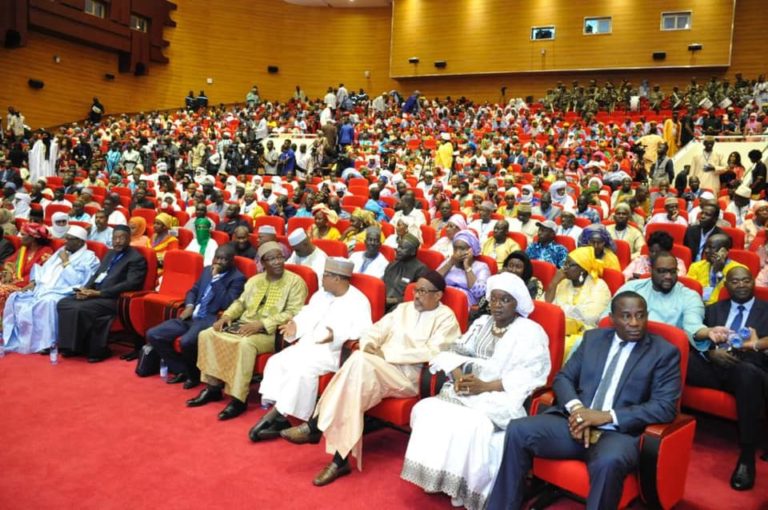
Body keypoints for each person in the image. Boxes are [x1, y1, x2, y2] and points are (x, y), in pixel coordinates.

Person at [487, 292, 681, 510]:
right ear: (613, 317)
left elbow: (665, 407)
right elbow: (564, 378)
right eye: (626, 316)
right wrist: (578, 411)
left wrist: (604, 417)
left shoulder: (664, 353)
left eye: (640, 316)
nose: (634, 323)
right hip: (574, 423)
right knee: (518, 429)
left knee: (609, 462)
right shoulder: (593, 339)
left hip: (618, 433)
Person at [280, 272, 461, 486]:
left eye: (423, 291)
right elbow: (374, 331)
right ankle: (339, 460)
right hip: (375, 367)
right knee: (357, 376)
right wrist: (369, 345)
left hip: (409, 376)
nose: (417, 296)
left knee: (359, 362)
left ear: (438, 295)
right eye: (415, 290)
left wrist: (386, 355)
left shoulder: (446, 318)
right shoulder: (403, 309)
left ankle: (316, 425)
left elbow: (433, 352)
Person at [402, 273, 551, 510]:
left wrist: (484, 386)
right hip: (465, 389)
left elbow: (531, 375)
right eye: (493, 299)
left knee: (470, 426)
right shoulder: (482, 323)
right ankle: (437, 478)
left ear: (517, 304)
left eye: (505, 300)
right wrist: (459, 377)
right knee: (426, 410)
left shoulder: (530, 332)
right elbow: (453, 351)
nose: (497, 305)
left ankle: (464, 489)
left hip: (500, 396)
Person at [250, 258, 372, 441]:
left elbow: (365, 331)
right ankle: (280, 414)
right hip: (308, 345)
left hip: (332, 352)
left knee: (300, 371)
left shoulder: (359, 301)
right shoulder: (321, 295)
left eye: (325, 276)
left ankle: (279, 416)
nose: (321, 279)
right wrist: (295, 327)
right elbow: (306, 314)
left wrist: (336, 335)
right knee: (277, 361)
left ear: (337, 279)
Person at [188, 242, 307, 420]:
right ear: (262, 263)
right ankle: (213, 388)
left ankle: (238, 399)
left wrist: (261, 324)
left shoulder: (295, 282)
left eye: (280, 257)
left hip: (271, 333)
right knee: (207, 334)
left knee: (245, 344)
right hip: (244, 324)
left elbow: (293, 312)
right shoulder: (254, 280)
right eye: (271, 259)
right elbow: (240, 303)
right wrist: (226, 316)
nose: (277, 262)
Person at [686, 266, 768, 491]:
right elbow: (698, 339)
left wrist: (755, 347)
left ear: (753, 282)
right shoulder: (712, 310)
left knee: (747, 374)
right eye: (735, 281)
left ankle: (747, 455)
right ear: (726, 285)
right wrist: (711, 353)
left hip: (749, 369)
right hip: (713, 366)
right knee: (677, 358)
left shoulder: (766, 309)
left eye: (746, 280)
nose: (741, 285)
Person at [147, 244, 246, 389]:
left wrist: (217, 279)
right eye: (217, 258)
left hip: (210, 318)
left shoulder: (238, 278)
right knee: (154, 334)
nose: (218, 262)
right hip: (191, 315)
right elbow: (192, 291)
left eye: (223, 259)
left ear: (232, 262)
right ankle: (181, 370)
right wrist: (189, 306)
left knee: (187, 342)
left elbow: (227, 302)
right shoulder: (206, 270)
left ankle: (193, 376)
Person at [56, 225, 148, 362]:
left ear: (129, 239)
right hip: (96, 294)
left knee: (79, 308)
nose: (117, 241)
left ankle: (92, 349)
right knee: (64, 303)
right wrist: (85, 289)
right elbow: (97, 274)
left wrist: (98, 293)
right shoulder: (110, 253)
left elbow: (131, 284)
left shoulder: (136, 259)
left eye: (122, 238)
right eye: (115, 238)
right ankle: (72, 347)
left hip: (115, 299)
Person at [2, 226, 99, 354]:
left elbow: (78, 281)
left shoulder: (90, 258)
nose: (65, 242)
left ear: (80, 242)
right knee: (17, 298)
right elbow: (43, 268)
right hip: (44, 287)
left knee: (47, 302)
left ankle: (47, 343)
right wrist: (34, 282)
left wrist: (65, 262)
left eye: (69, 239)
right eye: (66, 238)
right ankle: (24, 338)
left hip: (64, 291)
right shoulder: (63, 250)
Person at [546, 247, 612, 361]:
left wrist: (562, 312)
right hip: (560, 329)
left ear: (583, 269)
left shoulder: (599, 286)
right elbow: (548, 308)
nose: (564, 268)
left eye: (570, 265)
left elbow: (590, 317)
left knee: (564, 345)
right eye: (565, 263)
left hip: (586, 332)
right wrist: (553, 283)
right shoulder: (563, 283)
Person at [0, 222, 53, 324]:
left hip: (28, 286)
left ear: (33, 238)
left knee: (1, 291)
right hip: (13, 281)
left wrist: (14, 282)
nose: (20, 237)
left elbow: (40, 274)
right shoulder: (23, 249)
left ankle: (4, 324)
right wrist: (8, 273)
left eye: (23, 235)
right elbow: (9, 262)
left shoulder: (46, 252)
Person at [687, 233, 746, 304]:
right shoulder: (696, 266)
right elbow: (689, 290)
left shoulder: (738, 270)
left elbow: (730, 294)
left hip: (722, 308)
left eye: (711, 248)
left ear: (723, 252)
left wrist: (718, 272)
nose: (706, 251)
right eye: (705, 247)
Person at [437, 230, 490, 308]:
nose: (458, 252)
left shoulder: (481, 267)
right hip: (442, 299)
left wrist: (467, 266)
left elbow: (479, 293)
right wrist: (450, 263)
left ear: (471, 250)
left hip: (464, 304)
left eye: (462, 249)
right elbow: (433, 281)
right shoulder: (449, 261)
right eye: (455, 248)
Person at [382, 233, 427, 310]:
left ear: (413, 252)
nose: (398, 250)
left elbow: (419, 296)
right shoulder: (393, 264)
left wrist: (394, 301)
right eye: (399, 247)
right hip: (382, 302)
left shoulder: (420, 269)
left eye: (403, 248)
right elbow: (383, 284)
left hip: (402, 307)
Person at [622, 231, 687, 280]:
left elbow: (677, 281)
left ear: (667, 252)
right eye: (651, 251)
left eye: (658, 252)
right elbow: (624, 277)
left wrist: (641, 277)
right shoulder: (640, 260)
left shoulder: (677, 263)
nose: (653, 254)